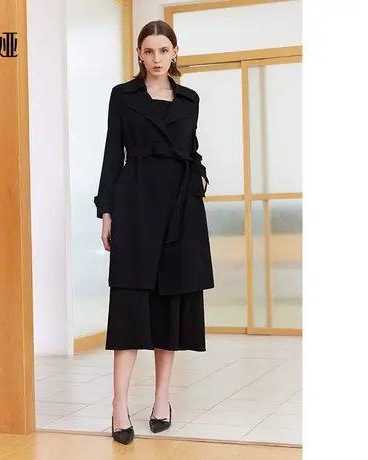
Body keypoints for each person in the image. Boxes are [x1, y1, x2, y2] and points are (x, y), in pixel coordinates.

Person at [94, 20, 214, 445]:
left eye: (164, 50)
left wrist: (200, 175)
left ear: (175, 52)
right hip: (136, 204)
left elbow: (191, 149)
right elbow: (113, 153)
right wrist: (106, 211)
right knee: (129, 302)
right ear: (139, 54)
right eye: (149, 51)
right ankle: (119, 407)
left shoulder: (189, 98)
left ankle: (162, 400)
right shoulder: (123, 96)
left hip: (180, 207)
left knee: (170, 303)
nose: (157, 58)